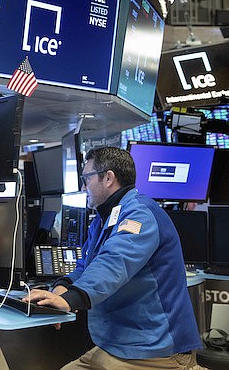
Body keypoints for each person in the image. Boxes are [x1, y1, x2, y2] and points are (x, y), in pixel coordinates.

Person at [24, 146, 202, 370]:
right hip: (119, 347)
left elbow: (114, 264)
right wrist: (62, 286)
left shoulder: (140, 214)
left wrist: (71, 300)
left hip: (156, 352)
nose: (83, 187)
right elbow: (87, 266)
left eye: (86, 179)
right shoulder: (104, 218)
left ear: (108, 178)